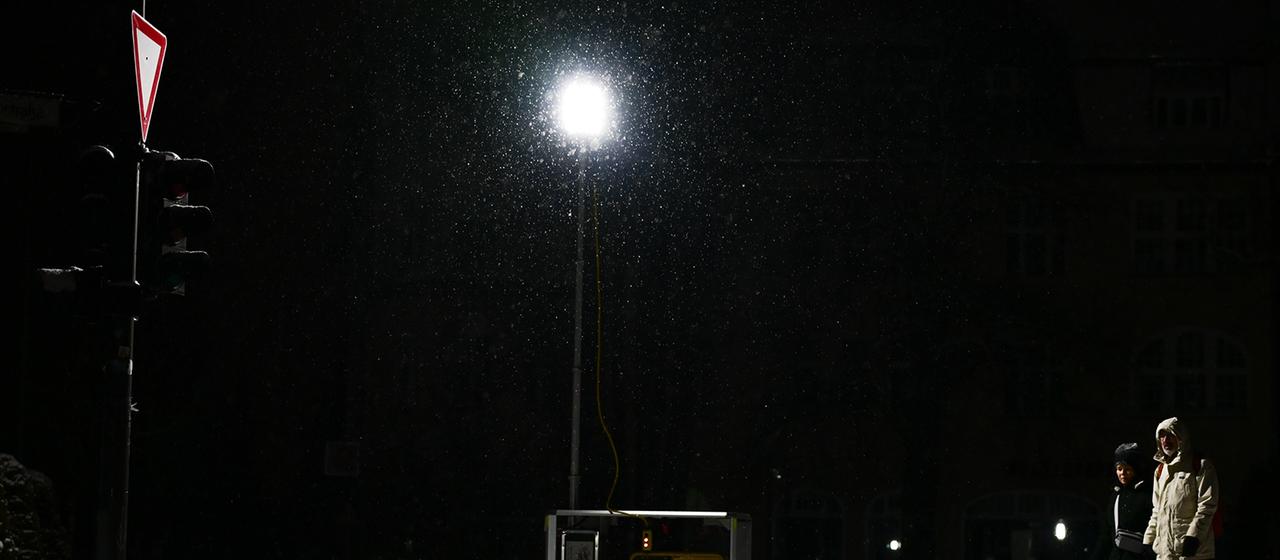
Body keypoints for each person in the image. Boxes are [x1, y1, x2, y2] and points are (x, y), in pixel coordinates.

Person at [1143, 417, 1219, 560]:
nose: (1165, 440)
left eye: (1171, 435)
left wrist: (1193, 537)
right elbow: (1157, 510)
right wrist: (1149, 540)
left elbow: (1207, 506)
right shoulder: (1160, 470)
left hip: (1193, 553)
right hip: (1165, 553)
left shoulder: (1200, 466)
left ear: (1181, 437)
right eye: (1162, 436)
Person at [1106, 442, 1155, 560]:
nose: (1122, 473)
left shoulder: (1147, 495)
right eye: (1119, 469)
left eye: (1127, 469)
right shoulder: (1116, 495)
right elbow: (1109, 530)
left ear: (1136, 469)